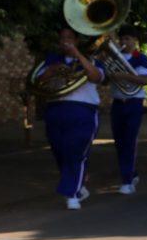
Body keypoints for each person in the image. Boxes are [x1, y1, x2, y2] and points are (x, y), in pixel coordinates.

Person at [35, 27, 107, 209]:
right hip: (55, 109)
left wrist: (78, 55)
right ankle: (79, 185)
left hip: (83, 111)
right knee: (60, 151)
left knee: (75, 151)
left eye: (69, 38)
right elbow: (37, 81)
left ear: (76, 41)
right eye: (62, 38)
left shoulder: (91, 60)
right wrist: (51, 71)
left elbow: (96, 77)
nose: (65, 41)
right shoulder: (52, 59)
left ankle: (72, 194)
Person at [107, 25, 147, 194]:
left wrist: (124, 76)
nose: (124, 42)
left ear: (135, 40)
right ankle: (131, 173)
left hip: (134, 102)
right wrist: (111, 75)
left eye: (128, 39)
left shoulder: (140, 58)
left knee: (130, 140)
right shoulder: (114, 58)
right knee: (119, 142)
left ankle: (126, 181)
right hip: (118, 102)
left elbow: (144, 80)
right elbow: (105, 77)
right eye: (122, 39)